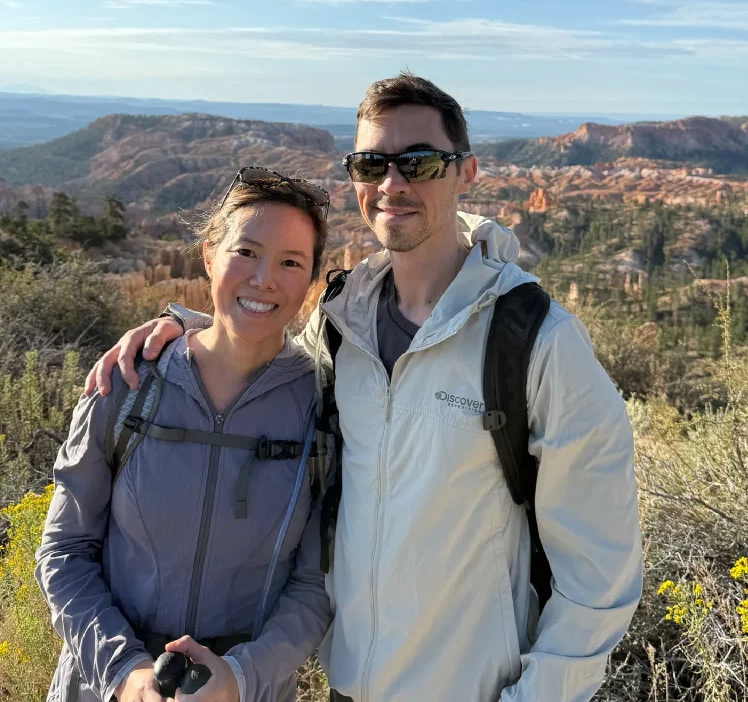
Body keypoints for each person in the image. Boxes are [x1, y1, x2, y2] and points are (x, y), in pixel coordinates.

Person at [86, 73, 643, 702]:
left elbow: (602, 575)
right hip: (346, 684)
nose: (393, 184)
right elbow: (260, 357)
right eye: (372, 162)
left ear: (467, 173)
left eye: (420, 162)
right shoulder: (340, 322)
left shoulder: (536, 339)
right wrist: (182, 328)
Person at [38, 173, 332, 702]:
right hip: (105, 686)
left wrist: (241, 677)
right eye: (245, 251)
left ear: (311, 280)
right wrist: (125, 672)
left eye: (291, 262)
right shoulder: (127, 385)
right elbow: (65, 550)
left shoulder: (322, 410)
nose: (265, 279)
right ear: (208, 257)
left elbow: (314, 585)